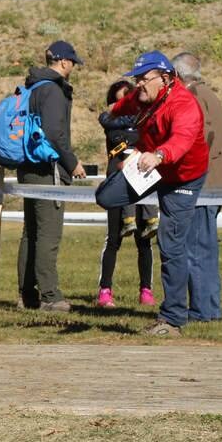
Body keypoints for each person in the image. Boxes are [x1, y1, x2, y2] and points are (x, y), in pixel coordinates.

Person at [95, 51, 209, 337]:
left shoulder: (184, 105)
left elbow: (181, 140)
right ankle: (172, 317)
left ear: (166, 78)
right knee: (105, 197)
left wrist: (159, 154)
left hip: (182, 176)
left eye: (144, 79)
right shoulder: (143, 97)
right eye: (137, 80)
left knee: (170, 244)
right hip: (153, 168)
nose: (139, 85)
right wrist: (109, 114)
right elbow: (123, 105)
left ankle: (172, 320)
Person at [17, 40, 87, 312]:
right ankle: (50, 296)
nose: (73, 68)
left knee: (31, 232)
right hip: (47, 169)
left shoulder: (32, 86)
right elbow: (55, 134)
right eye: (72, 64)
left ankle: (26, 295)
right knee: (48, 233)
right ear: (64, 62)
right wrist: (72, 163)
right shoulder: (54, 91)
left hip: (28, 167)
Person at [172, 52, 222, 322]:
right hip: (214, 182)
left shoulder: (193, 98)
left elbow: (202, 138)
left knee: (196, 249)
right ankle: (208, 307)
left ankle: (203, 310)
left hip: (202, 184)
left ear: (178, 75)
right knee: (204, 248)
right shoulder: (209, 94)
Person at [95, 79, 158, 309]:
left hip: (141, 177)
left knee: (144, 239)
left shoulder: (145, 119)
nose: (123, 106)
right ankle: (105, 290)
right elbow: (118, 140)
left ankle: (146, 290)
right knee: (113, 239)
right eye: (119, 101)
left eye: (127, 100)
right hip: (117, 180)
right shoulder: (111, 122)